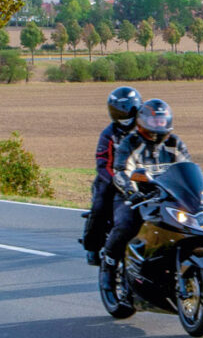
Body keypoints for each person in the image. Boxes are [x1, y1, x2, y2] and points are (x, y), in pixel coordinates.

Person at [100, 98, 191, 272]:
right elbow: (121, 171)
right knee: (126, 225)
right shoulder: (131, 142)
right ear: (142, 121)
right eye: (153, 120)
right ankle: (108, 265)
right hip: (135, 198)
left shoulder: (174, 143)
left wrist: (200, 192)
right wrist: (130, 191)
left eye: (161, 120)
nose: (158, 124)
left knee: (186, 227)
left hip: (166, 198)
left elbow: (188, 169)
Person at [80, 86, 142, 266]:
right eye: (118, 111)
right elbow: (102, 162)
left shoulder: (145, 129)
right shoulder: (109, 134)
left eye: (127, 110)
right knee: (100, 206)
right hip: (111, 178)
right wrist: (115, 181)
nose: (123, 115)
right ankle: (92, 246)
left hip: (142, 178)